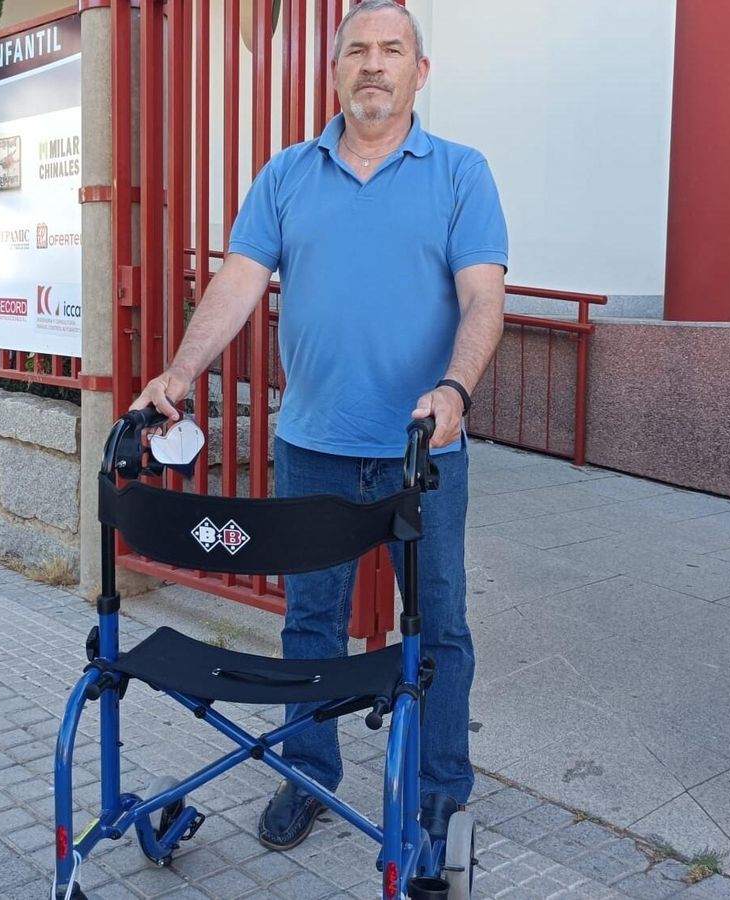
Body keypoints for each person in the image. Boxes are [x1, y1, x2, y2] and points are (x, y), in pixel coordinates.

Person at [129, 0, 507, 852]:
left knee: (438, 623)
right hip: (311, 447)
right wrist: (181, 374)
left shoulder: (460, 172)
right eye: (357, 52)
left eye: (392, 51)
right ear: (335, 72)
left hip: (425, 453)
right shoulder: (287, 175)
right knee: (310, 625)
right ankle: (308, 774)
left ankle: (442, 789)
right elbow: (236, 282)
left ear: (420, 72)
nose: (374, 65)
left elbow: (485, 294)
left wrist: (456, 390)